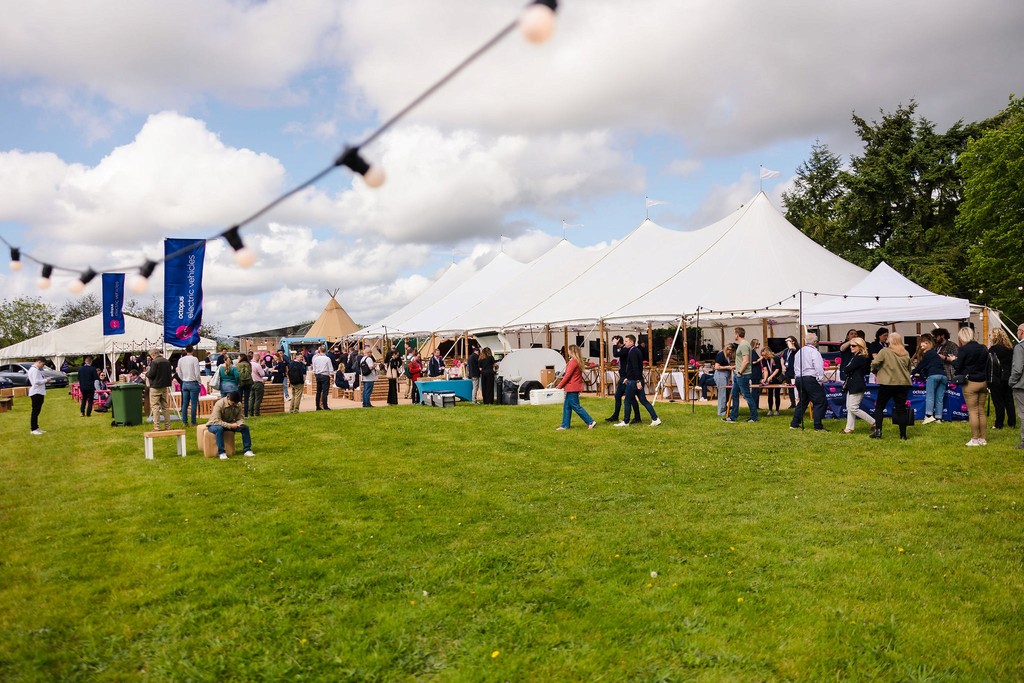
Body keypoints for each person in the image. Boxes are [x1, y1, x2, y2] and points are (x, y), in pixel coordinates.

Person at [870, 332, 912, 440]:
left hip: (887, 383)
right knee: (901, 409)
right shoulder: (905, 353)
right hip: (902, 383)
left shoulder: (884, 352)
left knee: (879, 407)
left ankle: (878, 431)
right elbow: (909, 368)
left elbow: (874, 363)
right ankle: (903, 435)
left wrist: (875, 371)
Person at [614, 335, 661, 427]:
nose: (625, 343)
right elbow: (632, 367)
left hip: (634, 381)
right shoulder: (634, 351)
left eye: (626, 341)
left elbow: (636, 367)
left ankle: (626, 421)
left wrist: (638, 381)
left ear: (631, 342)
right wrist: (628, 377)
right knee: (643, 400)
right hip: (633, 379)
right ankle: (655, 418)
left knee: (627, 400)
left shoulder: (634, 352)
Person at [955, 326, 989, 446]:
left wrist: (954, 360)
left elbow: (958, 367)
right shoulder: (983, 348)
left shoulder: (963, 350)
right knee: (981, 411)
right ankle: (983, 438)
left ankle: (974, 438)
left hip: (970, 382)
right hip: (984, 381)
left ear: (961, 337)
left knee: (973, 411)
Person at [790, 334, 828, 431]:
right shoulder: (814, 352)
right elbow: (818, 367)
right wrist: (820, 379)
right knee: (819, 401)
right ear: (815, 342)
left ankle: (794, 423)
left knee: (803, 401)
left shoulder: (799, 352)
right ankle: (818, 425)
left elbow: (795, 366)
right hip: (810, 378)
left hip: (799, 378)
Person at [556, 345, 596, 430]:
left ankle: (590, 421)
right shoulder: (577, 361)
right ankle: (565, 425)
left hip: (572, 387)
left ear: (572, 351)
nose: (568, 352)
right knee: (567, 406)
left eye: (569, 350)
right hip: (574, 387)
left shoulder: (573, 362)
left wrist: (559, 386)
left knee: (576, 406)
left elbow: (567, 376)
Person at [207, 390, 255, 460]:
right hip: (214, 424)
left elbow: (240, 417)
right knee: (219, 429)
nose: (234, 405)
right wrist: (230, 425)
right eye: (233, 403)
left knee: (245, 428)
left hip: (229, 423)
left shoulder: (238, 404)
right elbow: (216, 420)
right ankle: (221, 453)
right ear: (228, 398)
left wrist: (240, 423)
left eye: (236, 403)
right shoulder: (219, 404)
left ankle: (247, 450)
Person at [842, 337, 876, 434]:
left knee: (853, 408)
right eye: (850, 345)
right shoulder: (856, 357)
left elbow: (846, 369)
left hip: (857, 385)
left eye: (853, 345)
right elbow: (847, 369)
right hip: (853, 384)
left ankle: (874, 422)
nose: (851, 347)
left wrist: (847, 368)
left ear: (860, 347)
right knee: (850, 407)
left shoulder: (859, 358)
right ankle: (848, 428)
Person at [911, 334, 946, 425]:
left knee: (930, 396)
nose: (922, 348)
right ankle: (939, 417)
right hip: (943, 376)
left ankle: (929, 416)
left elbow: (921, 365)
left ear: (928, 343)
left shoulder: (928, 354)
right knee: (939, 398)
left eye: (923, 346)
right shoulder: (935, 355)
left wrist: (912, 373)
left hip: (933, 376)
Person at [606, 335, 641, 424]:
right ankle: (618, 415)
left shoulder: (626, 349)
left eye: (626, 341)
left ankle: (634, 417)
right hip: (624, 376)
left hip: (625, 377)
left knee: (629, 397)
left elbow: (615, 354)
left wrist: (614, 344)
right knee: (624, 397)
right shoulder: (625, 349)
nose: (625, 343)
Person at [726, 327, 758, 423]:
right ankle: (733, 417)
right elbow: (742, 361)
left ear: (737, 334)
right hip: (738, 374)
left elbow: (746, 360)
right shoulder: (744, 344)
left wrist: (740, 372)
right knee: (734, 394)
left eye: (734, 334)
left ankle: (754, 417)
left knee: (747, 395)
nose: (734, 335)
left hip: (742, 375)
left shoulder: (744, 345)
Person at [988, 328, 1015, 430]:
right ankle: (1012, 422)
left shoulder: (993, 349)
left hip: (997, 378)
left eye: (990, 335)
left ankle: (999, 423)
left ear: (995, 336)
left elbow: (990, 365)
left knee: (998, 402)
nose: (989, 337)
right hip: (1008, 377)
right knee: (1009, 400)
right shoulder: (1010, 349)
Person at [145, 347, 173, 431]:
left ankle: (156, 426)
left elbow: (152, 374)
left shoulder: (154, 362)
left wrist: (147, 374)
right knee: (165, 406)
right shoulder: (167, 361)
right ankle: (168, 426)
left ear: (153, 354)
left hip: (155, 387)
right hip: (164, 386)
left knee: (155, 406)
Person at [176, 345, 202, 426]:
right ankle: (193, 421)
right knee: (193, 403)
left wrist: (183, 379)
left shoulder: (181, 360)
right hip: (193, 382)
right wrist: (199, 381)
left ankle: (184, 421)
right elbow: (197, 372)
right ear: (192, 350)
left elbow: (179, 372)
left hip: (185, 382)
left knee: (185, 404)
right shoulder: (194, 359)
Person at [1008, 323, 1024, 450]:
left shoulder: (1020, 347)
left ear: (1022, 332)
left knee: (1023, 413)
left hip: (1021, 385)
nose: (1017, 332)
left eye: (1018, 330)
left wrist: (1011, 381)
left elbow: (1018, 368)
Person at [27, 357, 49, 435]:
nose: (42, 366)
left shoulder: (34, 370)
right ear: (39, 362)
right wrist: (46, 380)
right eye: (42, 364)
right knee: (35, 411)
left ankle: (36, 427)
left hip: (38, 392)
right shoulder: (35, 370)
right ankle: (33, 429)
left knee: (37, 411)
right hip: (36, 392)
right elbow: (36, 382)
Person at [713, 344, 735, 418]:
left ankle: (724, 408)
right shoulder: (721, 355)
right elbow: (716, 367)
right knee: (722, 394)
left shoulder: (727, 356)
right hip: (720, 375)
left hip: (725, 375)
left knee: (726, 393)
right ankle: (721, 412)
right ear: (727, 349)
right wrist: (728, 367)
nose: (730, 353)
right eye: (730, 351)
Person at [311, 346, 334, 411]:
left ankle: (317, 406)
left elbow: (314, 369)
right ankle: (325, 406)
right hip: (325, 375)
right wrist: (332, 377)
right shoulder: (327, 359)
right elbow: (331, 369)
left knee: (318, 391)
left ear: (319, 351)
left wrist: (316, 375)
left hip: (318, 375)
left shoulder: (315, 359)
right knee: (325, 392)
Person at [760, 347, 782, 416]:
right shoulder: (764, 360)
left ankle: (777, 410)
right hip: (770, 379)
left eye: (765, 355)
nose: (764, 356)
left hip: (777, 378)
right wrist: (765, 378)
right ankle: (770, 410)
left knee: (777, 394)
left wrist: (771, 377)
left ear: (768, 353)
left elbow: (777, 369)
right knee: (770, 394)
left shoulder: (776, 358)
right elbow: (766, 370)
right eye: (762, 355)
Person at [781, 335, 798, 407]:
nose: (787, 343)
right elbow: (782, 358)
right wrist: (783, 366)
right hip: (788, 372)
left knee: (797, 387)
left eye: (789, 341)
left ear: (793, 341)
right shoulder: (786, 350)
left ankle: (800, 403)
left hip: (795, 371)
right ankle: (793, 404)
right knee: (790, 388)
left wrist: (788, 341)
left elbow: (792, 347)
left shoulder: (796, 348)